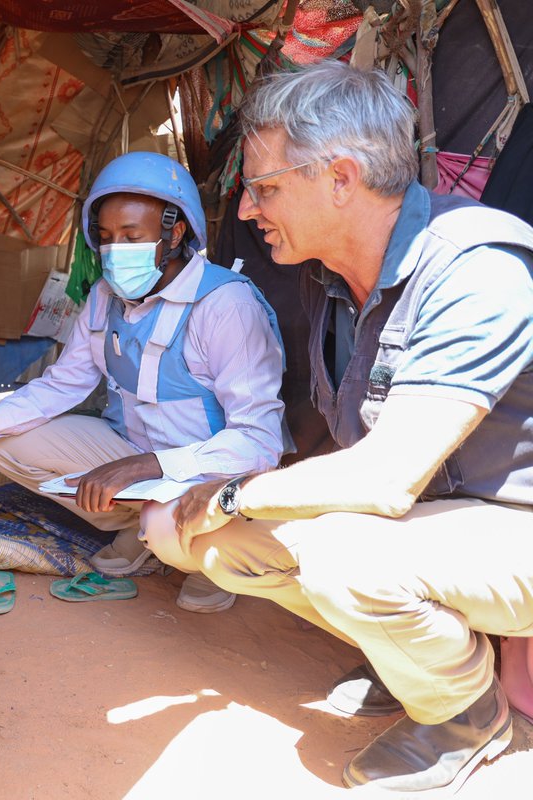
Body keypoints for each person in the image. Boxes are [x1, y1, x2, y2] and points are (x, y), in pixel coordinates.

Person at [144, 60, 533, 792]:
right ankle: (413, 655)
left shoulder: (474, 265)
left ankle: (463, 715)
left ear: (342, 178)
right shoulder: (328, 282)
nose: (251, 210)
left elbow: (386, 479)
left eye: (265, 188)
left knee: (339, 555)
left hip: (516, 522)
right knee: (211, 542)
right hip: (443, 520)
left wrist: (235, 491)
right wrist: (220, 505)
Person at [0, 151, 287, 613]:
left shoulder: (226, 306)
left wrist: (148, 467)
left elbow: (259, 442)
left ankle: (211, 555)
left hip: (208, 472)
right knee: (7, 447)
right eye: (106, 238)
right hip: (134, 453)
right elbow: (65, 382)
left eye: (132, 236)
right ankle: (142, 529)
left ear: (174, 233)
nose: (115, 251)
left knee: (174, 520)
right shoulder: (104, 297)